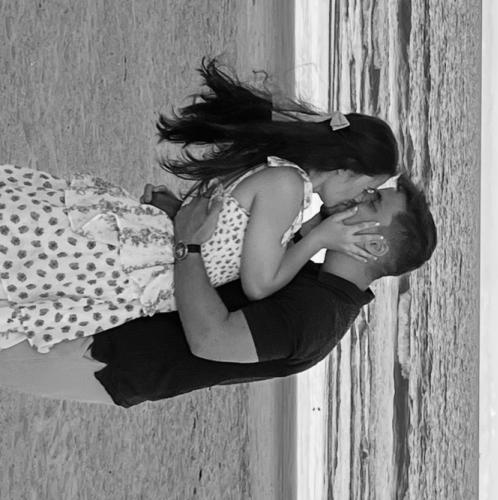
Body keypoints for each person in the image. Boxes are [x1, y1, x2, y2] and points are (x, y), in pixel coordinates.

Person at [0, 59, 398, 353]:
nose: (361, 199)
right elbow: (259, 284)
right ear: (347, 168)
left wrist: (311, 231)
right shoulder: (288, 186)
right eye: (369, 189)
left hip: (137, 255)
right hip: (125, 266)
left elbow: (231, 234)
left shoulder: (282, 173)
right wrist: (318, 240)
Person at [0, 174, 437, 406]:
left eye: (372, 202)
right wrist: (177, 224)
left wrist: (186, 245)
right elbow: (228, 269)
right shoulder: (312, 275)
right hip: (102, 314)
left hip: (104, 357)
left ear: (375, 246)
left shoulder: (319, 319)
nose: (358, 197)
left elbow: (212, 338)